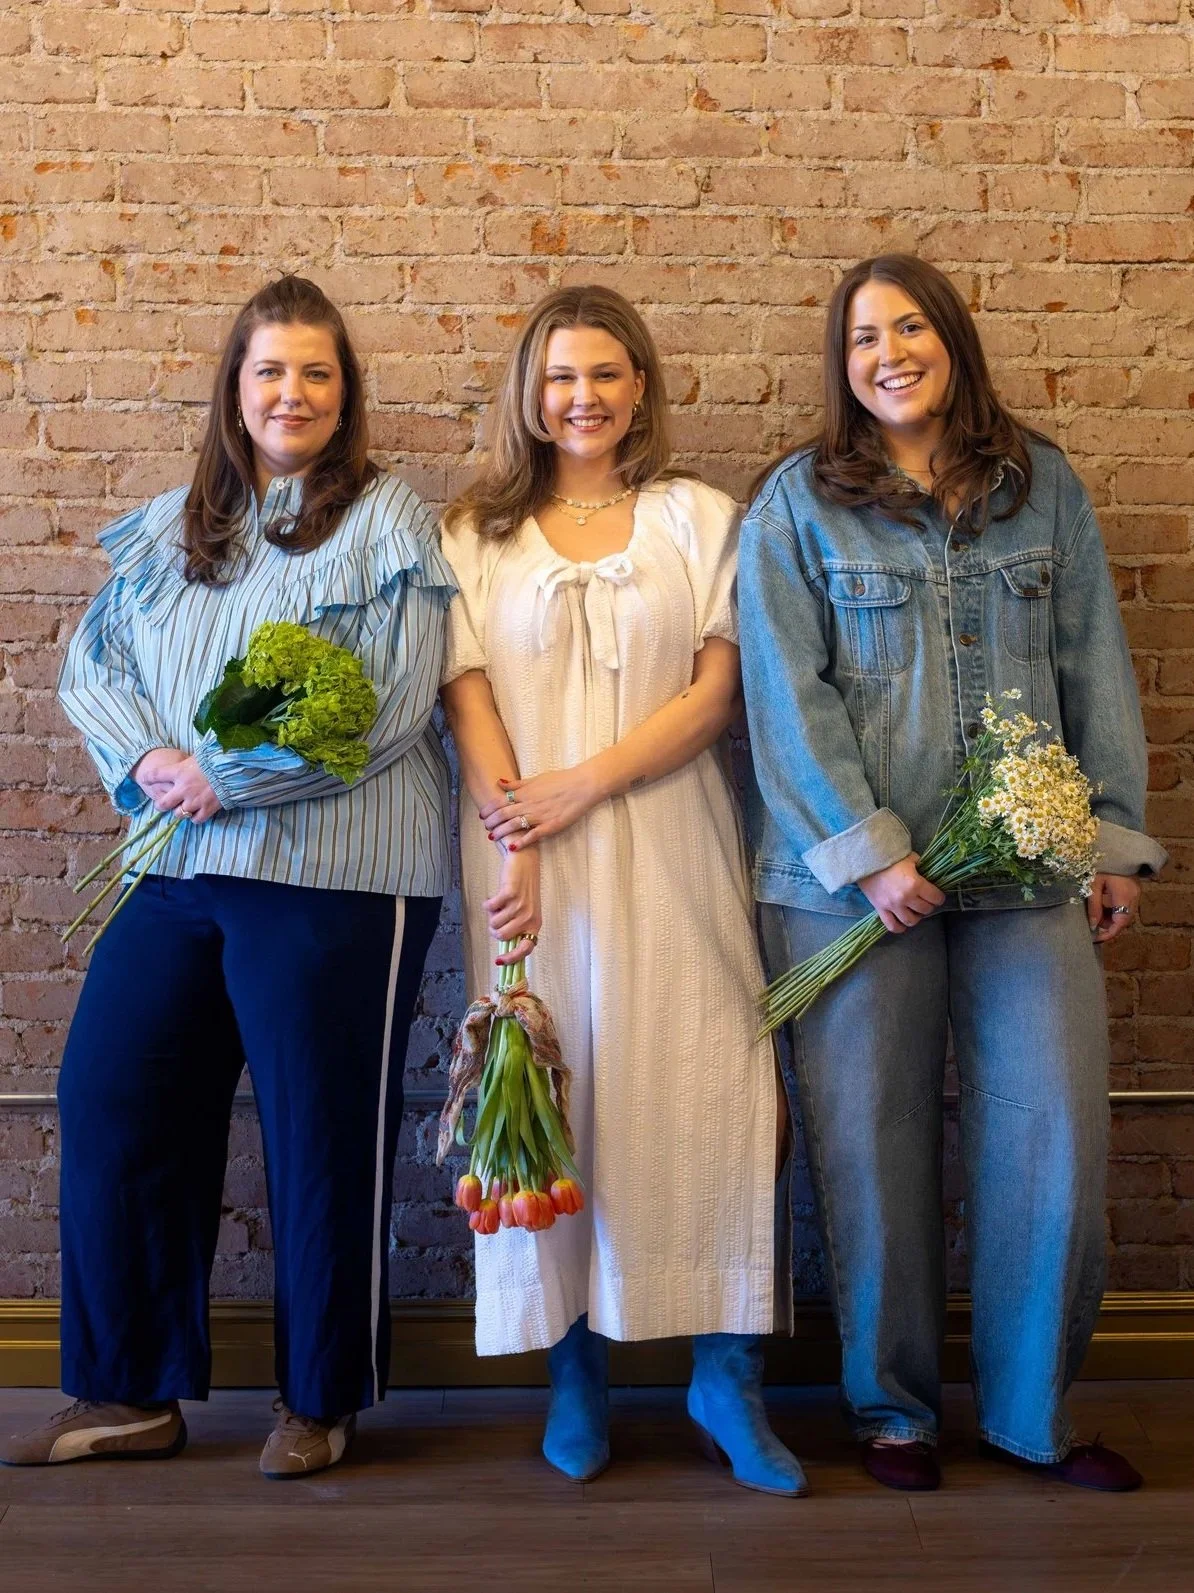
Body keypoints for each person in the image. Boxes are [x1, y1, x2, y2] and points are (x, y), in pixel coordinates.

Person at [0, 276, 455, 1480]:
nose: (292, 393)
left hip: (339, 882)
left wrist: (226, 776)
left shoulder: (391, 520)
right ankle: (131, 1393)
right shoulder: (175, 524)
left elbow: (397, 705)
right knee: (116, 1097)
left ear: (344, 393)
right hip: (179, 869)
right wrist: (152, 760)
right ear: (235, 389)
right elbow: (92, 662)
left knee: (320, 1135)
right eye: (270, 371)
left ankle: (320, 1398)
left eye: (316, 372)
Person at [738, 253, 1167, 1495]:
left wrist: (1113, 842)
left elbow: (1096, 668)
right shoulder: (797, 506)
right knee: (871, 1152)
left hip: (1030, 876)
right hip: (855, 896)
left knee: (1055, 1141)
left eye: (910, 326)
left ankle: (1032, 1413)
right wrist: (872, 858)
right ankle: (892, 1413)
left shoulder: (1043, 489)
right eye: (864, 339)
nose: (888, 354)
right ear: (843, 366)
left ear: (952, 340)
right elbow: (785, 700)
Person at [439, 285, 805, 1496]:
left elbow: (714, 700)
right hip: (526, 860)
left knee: (707, 1089)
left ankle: (724, 1374)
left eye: (604, 373)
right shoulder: (475, 538)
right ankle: (574, 1371)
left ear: (640, 384)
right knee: (549, 1099)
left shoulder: (703, 519)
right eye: (558, 377)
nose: (581, 397)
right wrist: (521, 838)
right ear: (527, 396)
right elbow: (470, 700)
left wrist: (578, 788)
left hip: (673, 841)